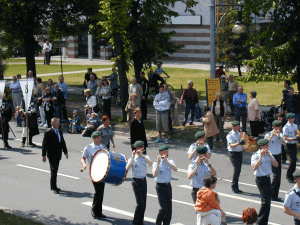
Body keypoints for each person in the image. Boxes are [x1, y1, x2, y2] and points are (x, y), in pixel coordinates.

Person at [251, 139, 278, 225]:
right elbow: (254, 167)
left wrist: (269, 155)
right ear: (261, 146)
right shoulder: (255, 155)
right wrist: (261, 157)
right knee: (266, 201)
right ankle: (259, 221)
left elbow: (276, 164)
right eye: (266, 145)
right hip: (260, 179)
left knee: (267, 202)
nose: (267, 147)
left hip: (267, 179)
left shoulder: (269, 154)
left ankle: (264, 221)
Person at [81, 131, 108, 219]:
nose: (99, 139)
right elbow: (83, 158)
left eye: (100, 137)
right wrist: (84, 164)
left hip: (102, 172)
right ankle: (94, 210)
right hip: (94, 172)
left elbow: (108, 157)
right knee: (98, 191)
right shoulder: (88, 148)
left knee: (102, 192)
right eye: (97, 137)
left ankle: (99, 212)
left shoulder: (103, 147)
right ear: (93, 138)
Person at [126, 140, 153, 225]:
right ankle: (135, 222)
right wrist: (133, 156)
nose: (143, 148)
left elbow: (151, 164)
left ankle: (140, 222)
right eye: (141, 147)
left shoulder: (145, 156)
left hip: (143, 181)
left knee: (144, 203)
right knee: (140, 203)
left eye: (143, 147)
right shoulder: (132, 158)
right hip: (136, 181)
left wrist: (143, 156)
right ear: (137, 148)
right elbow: (127, 168)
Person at [152, 145, 177, 225]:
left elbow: (175, 169)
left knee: (169, 210)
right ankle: (158, 223)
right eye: (165, 151)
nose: (167, 153)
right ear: (160, 153)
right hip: (160, 187)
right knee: (164, 209)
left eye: (167, 151)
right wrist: (159, 163)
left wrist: (166, 161)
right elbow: (154, 174)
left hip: (168, 186)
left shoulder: (170, 161)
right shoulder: (156, 163)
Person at [42, 118, 68, 193]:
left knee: (55, 170)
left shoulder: (59, 131)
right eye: (56, 123)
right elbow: (44, 144)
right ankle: (53, 187)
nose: (57, 125)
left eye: (58, 123)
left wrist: (65, 152)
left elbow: (62, 142)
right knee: (54, 169)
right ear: (52, 124)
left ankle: (54, 186)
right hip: (51, 153)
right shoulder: (48, 132)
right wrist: (43, 155)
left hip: (58, 153)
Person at [264, 120, 287, 201]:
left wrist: (279, 137)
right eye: (278, 127)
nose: (280, 128)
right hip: (271, 156)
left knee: (278, 176)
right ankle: (271, 193)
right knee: (275, 176)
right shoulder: (268, 134)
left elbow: (285, 144)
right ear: (273, 127)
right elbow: (265, 144)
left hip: (278, 156)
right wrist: (271, 136)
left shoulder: (280, 134)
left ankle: (275, 195)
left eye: (280, 127)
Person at [227, 120, 245, 193]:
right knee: (236, 169)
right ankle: (234, 187)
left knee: (238, 170)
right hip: (233, 153)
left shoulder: (239, 134)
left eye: (239, 126)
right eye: (237, 126)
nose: (238, 127)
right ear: (233, 127)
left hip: (239, 152)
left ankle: (236, 186)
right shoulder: (230, 135)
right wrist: (239, 143)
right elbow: (231, 145)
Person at [283, 113, 299, 183]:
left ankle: (292, 175)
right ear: (288, 119)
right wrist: (293, 138)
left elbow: (296, 133)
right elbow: (285, 137)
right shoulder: (286, 127)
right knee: (292, 161)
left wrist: (298, 136)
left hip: (293, 144)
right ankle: (288, 175)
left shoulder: (295, 126)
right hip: (288, 145)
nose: (294, 119)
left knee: (294, 161)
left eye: (294, 118)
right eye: (292, 118)